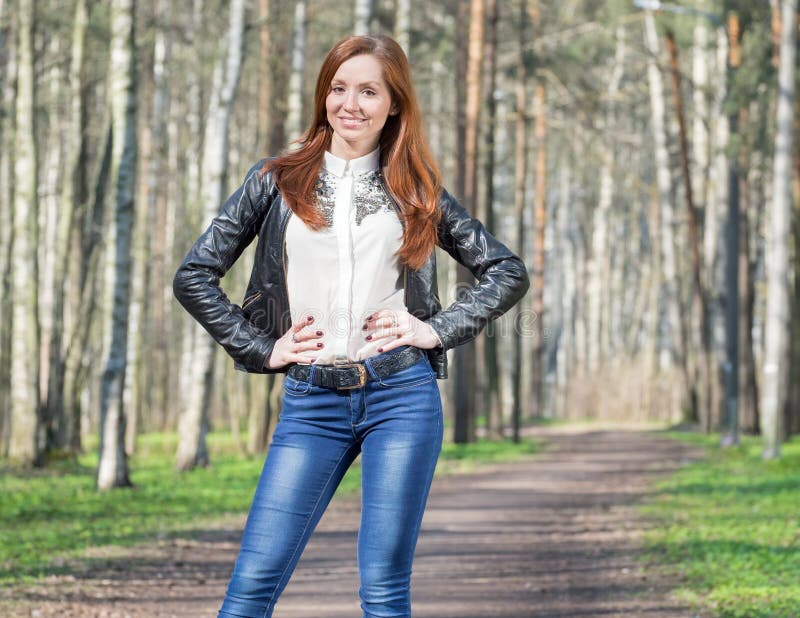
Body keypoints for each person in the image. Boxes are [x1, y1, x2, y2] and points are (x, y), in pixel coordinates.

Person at [173, 34, 529, 618]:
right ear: (324, 96)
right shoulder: (275, 180)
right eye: (339, 88)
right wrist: (262, 348)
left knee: (384, 591)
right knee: (250, 589)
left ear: (395, 105)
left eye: (369, 91)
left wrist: (434, 331)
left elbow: (505, 271)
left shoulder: (417, 189)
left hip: (402, 397)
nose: (350, 104)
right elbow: (194, 276)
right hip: (311, 400)